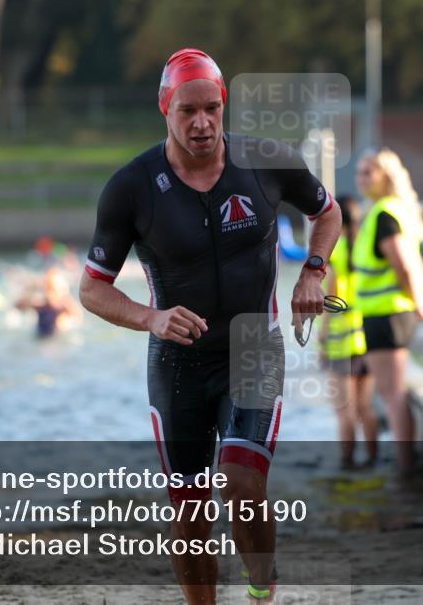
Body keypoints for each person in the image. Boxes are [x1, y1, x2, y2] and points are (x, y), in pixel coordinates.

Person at [80, 48, 341, 605]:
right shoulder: (132, 187)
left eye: (211, 110)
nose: (201, 123)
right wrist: (150, 317)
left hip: (252, 347)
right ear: (164, 108)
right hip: (177, 363)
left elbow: (328, 212)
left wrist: (313, 273)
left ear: (224, 105)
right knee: (191, 509)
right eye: (187, 111)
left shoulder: (266, 161)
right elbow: (92, 288)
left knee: (242, 482)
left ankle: (261, 587)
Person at [352, 148, 423, 475]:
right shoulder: (382, 211)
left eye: (368, 172)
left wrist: (418, 302)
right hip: (380, 314)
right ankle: (404, 462)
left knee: (392, 392)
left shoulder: (385, 214)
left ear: (386, 176)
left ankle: (405, 465)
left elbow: (404, 264)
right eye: (359, 172)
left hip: (387, 315)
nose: (361, 179)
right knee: (391, 391)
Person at [319, 195, 377, 470]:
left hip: (341, 342)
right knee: (366, 408)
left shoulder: (336, 252)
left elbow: (332, 301)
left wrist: (321, 339)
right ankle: (375, 459)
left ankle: (347, 463)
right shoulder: (365, 247)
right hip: (366, 338)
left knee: (345, 411)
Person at [15, 266, 82, 338]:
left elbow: (77, 315)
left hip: (56, 335)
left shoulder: (62, 305)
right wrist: (30, 289)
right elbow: (18, 306)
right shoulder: (40, 305)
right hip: (41, 334)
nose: (49, 293)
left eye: (52, 290)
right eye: (48, 289)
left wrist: (66, 298)